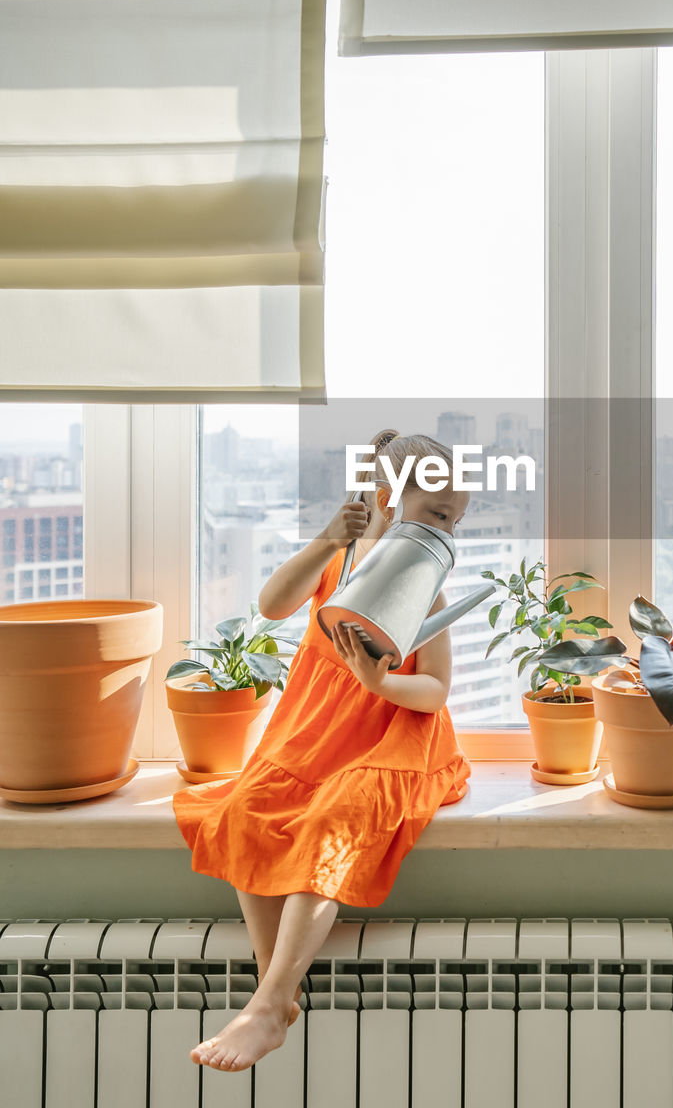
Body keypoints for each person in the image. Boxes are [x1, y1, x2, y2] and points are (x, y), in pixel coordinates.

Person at [171, 429, 472, 1073]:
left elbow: (435, 690)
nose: (450, 532)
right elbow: (272, 604)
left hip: (393, 736)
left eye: (456, 521)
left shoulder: (427, 587)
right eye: (440, 516)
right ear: (388, 498)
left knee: (334, 821)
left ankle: (272, 999)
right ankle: (273, 993)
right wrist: (331, 536)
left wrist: (381, 682)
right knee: (246, 810)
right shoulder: (336, 563)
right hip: (313, 727)